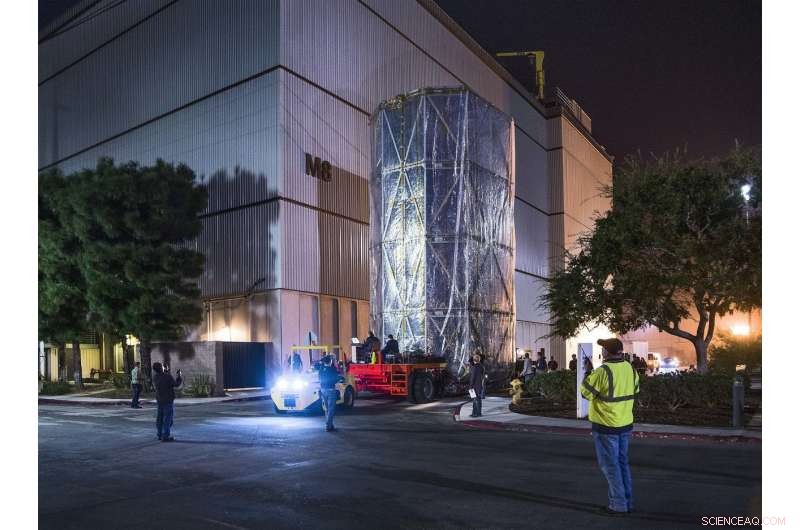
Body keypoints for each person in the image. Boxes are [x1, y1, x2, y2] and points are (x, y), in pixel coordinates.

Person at [580, 338, 640, 515]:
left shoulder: (602, 371)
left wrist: (588, 372)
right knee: (622, 464)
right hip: (625, 423)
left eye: (603, 348)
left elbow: (585, 393)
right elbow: (635, 390)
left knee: (611, 466)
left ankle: (618, 505)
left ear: (606, 352)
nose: (602, 351)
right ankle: (627, 502)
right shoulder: (630, 368)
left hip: (606, 425)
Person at [152, 362, 183, 442]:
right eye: (162, 366)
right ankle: (165, 436)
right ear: (161, 368)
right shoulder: (167, 377)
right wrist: (179, 376)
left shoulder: (155, 377)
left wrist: (166, 371)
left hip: (160, 400)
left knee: (160, 418)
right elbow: (176, 384)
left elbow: (163, 378)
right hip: (168, 400)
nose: (164, 367)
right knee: (168, 419)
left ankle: (160, 434)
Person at [318, 355, 340, 432]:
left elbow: (319, 378)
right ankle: (328, 425)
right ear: (330, 361)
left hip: (323, 390)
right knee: (331, 408)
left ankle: (330, 424)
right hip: (331, 390)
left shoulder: (321, 369)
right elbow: (337, 378)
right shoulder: (332, 369)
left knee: (326, 408)